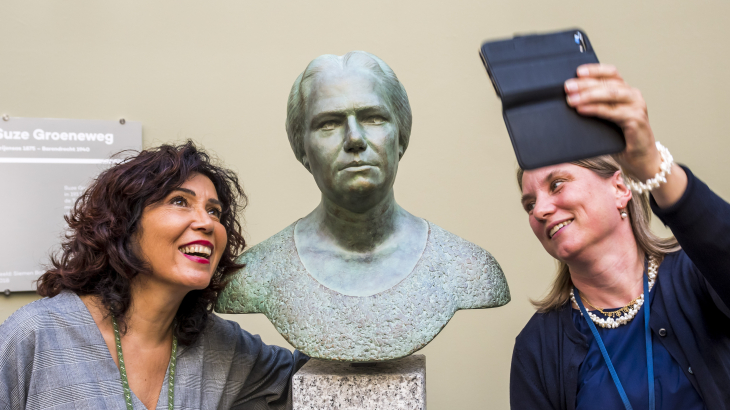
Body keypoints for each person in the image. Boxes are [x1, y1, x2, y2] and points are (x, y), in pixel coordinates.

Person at [216, 51, 510, 362]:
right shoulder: (258, 273)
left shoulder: (465, 267)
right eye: (329, 123)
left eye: (373, 118)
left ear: (401, 138)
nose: (354, 139)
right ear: (303, 149)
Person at [0, 141, 308, 409]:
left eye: (214, 211)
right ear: (123, 224)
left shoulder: (223, 346)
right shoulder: (35, 335)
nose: (206, 222)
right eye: (179, 201)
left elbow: (313, 381)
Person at [510, 63, 730, 409]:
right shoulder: (536, 347)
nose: (539, 210)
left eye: (557, 184)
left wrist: (651, 165)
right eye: (529, 204)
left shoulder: (698, 277)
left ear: (619, 187)